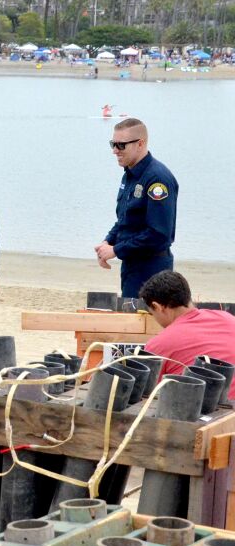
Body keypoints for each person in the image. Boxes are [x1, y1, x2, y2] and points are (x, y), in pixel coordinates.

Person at [95, 118, 178, 298]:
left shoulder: (157, 179)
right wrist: (108, 241)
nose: (115, 150)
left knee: (148, 324)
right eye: (113, 144)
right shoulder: (130, 175)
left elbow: (158, 234)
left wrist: (116, 250)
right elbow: (126, 219)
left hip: (152, 270)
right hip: (131, 267)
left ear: (140, 144)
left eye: (121, 145)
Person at [140, 271, 235, 391]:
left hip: (201, 406)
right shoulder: (228, 318)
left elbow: (145, 392)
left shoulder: (159, 344)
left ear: (158, 307)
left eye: (152, 313)